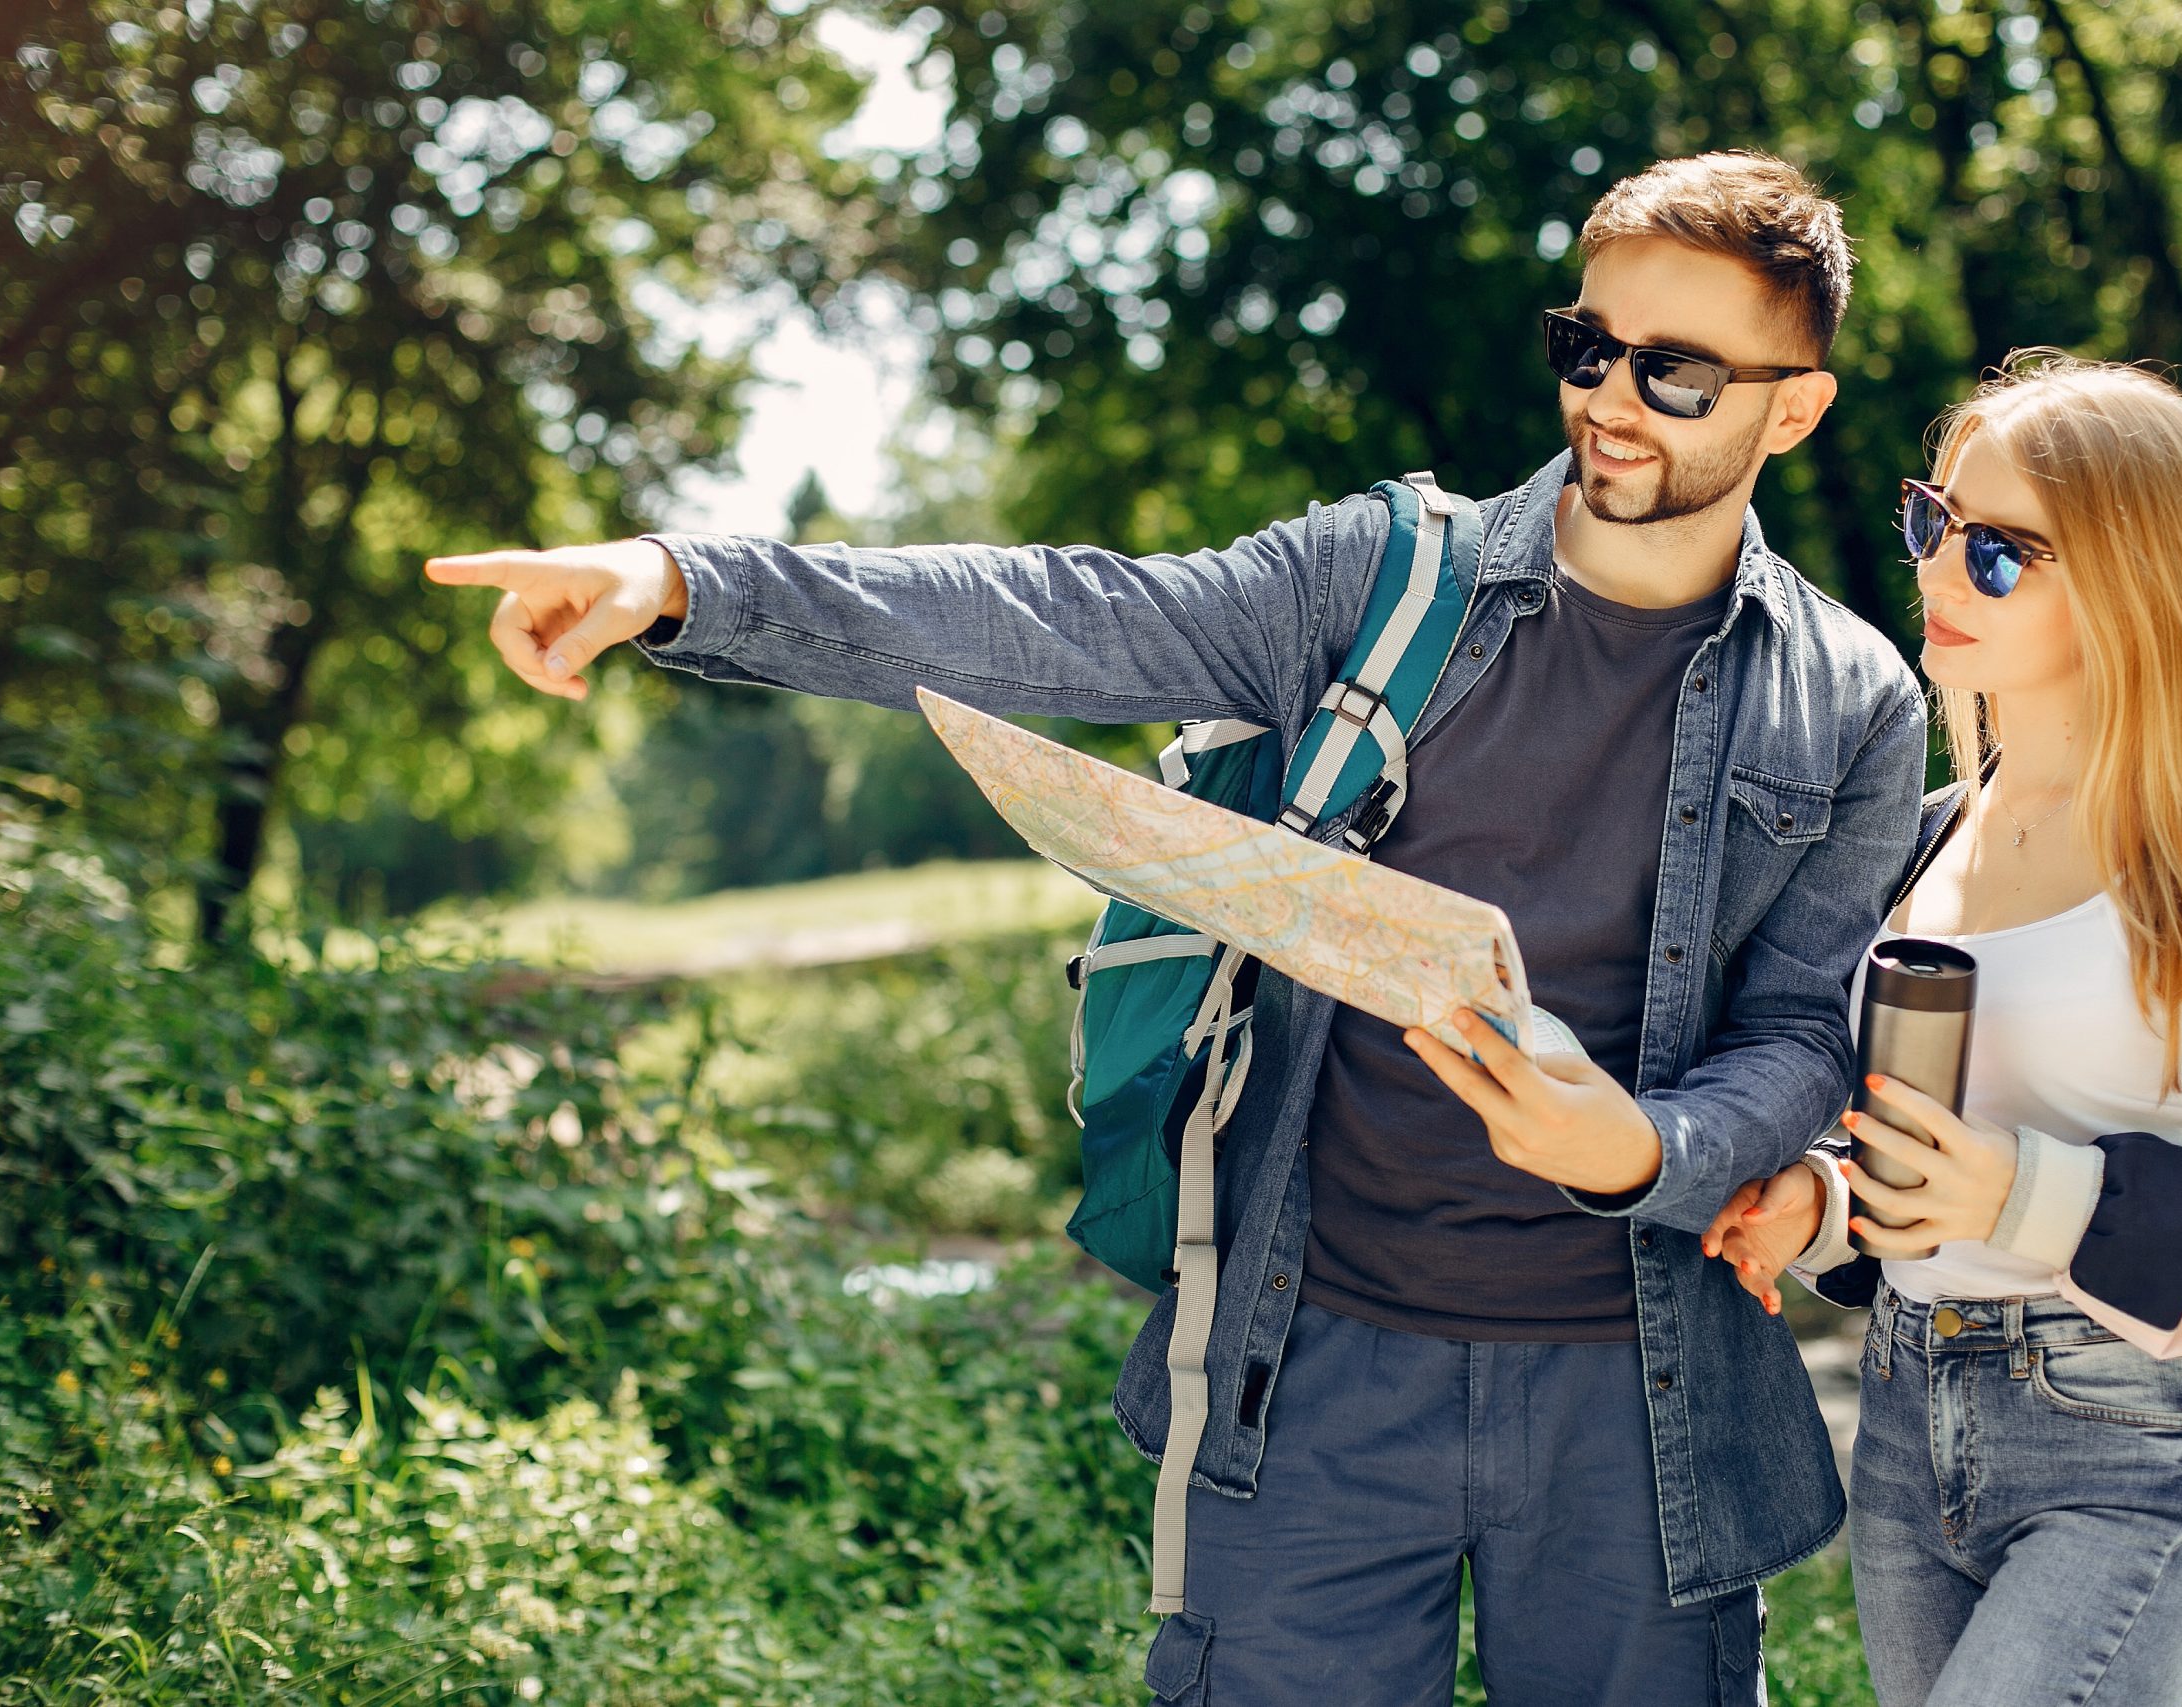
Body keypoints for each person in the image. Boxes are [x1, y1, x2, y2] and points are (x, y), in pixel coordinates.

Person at [428, 152, 1927, 1706]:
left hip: (1646, 1404)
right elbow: (1070, 613)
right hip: (1316, 1371)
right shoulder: (1383, 579)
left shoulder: (1856, 701)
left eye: (1675, 369)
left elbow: (1811, 1030)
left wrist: (1642, 1150)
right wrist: (680, 580)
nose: (1611, 398)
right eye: (1586, 346)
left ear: (1794, 407)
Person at [1705, 354, 2182, 1707]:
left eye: (1998, 554)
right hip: (1902, 1421)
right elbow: (1911, 1150)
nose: (1939, 575)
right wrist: (1819, 1201)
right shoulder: (1926, 839)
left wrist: (2026, 1189)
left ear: (2133, 586)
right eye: (1935, 523)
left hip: (2130, 1435)